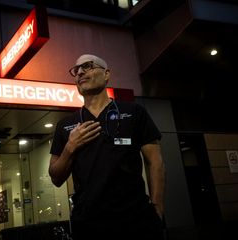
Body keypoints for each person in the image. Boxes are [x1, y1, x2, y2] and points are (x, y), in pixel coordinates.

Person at [49, 54, 166, 239]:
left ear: (106, 74)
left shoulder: (134, 112)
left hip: (136, 220)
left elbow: (155, 162)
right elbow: (55, 178)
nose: (79, 72)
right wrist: (70, 147)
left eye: (87, 66)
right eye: (76, 70)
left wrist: (157, 209)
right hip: (88, 224)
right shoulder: (66, 125)